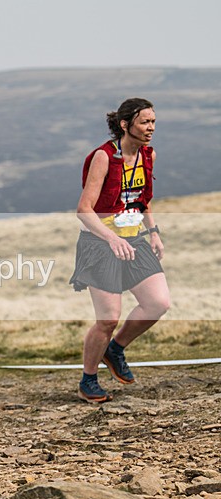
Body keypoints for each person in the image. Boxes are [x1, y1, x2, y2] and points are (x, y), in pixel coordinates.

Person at [70, 98, 171, 403]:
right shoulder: (103, 157)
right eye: (145, 122)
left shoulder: (147, 154)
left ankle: (115, 350)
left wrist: (152, 231)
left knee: (158, 303)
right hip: (100, 244)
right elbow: (84, 210)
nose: (151, 128)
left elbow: (142, 199)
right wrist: (111, 239)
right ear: (125, 125)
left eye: (153, 122)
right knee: (107, 320)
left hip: (134, 239)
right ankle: (88, 380)